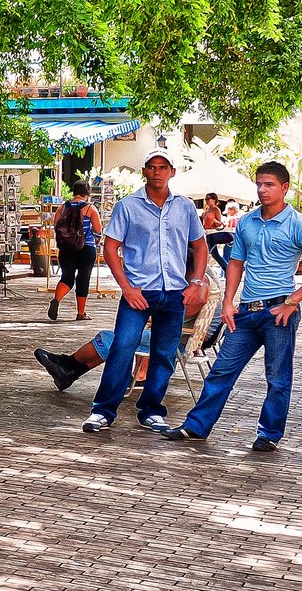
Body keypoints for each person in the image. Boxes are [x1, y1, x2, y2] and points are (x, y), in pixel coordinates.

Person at [162, 162, 302, 451]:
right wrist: (228, 303)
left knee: (277, 378)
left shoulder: (299, 225)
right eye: (260, 184)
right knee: (221, 371)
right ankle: (196, 427)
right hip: (245, 312)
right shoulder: (248, 222)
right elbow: (236, 264)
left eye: (269, 185)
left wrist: (293, 302)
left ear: (284, 188)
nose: (263, 189)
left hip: (279, 311)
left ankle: (269, 435)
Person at [81, 148, 208, 435]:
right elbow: (110, 247)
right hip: (138, 293)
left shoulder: (185, 207)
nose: (158, 172)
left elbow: (200, 245)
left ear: (172, 172)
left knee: (163, 354)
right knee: (123, 347)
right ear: (144, 171)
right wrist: (126, 287)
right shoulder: (128, 206)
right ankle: (102, 411)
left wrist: (196, 282)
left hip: (174, 292)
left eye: (164, 167)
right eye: (152, 167)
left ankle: (151, 411)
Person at [34, 270, 218, 390]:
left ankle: (69, 366)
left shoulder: (199, 278)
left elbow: (200, 299)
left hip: (175, 338)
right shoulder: (204, 274)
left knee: (113, 338)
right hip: (183, 337)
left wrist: (168, 316)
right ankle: (68, 370)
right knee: (122, 336)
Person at [48, 181, 104, 321]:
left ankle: (56, 300)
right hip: (86, 248)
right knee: (83, 279)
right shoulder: (90, 208)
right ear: (87, 193)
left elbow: (56, 227)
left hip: (66, 248)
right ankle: (80, 313)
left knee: (67, 277)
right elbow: (98, 230)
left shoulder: (62, 207)